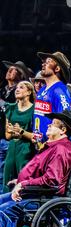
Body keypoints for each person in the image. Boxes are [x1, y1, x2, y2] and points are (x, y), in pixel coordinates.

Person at [0, 109, 71, 227]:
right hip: (33, 192)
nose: (48, 125)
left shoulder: (61, 149)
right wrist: (20, 181)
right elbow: (42, 171)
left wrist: (24, 184)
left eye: (53, 124)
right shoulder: (53, 146)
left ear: (63, 130)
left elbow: (51, 180)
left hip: (43, 197)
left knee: (2, 211)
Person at [0, 61, 33, 194]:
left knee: (22, 179)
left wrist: (21, 132)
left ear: (29, 92)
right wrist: (14, 132)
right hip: (11, 145)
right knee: (5, 179)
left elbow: (35, 134)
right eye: (17, 88)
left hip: (26, 147)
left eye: (21, 87)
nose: (17, 90)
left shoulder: (34, 109)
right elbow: (8, 134)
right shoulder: (10, 107)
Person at [33, 52, 71, 146]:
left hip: (52, 145)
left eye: (48, 61)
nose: (43, 64)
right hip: (39, 143)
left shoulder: (59, 90)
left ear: (57, 68)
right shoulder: (42, 90)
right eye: (44, 62)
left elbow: (65, 119)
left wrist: (51, 141)